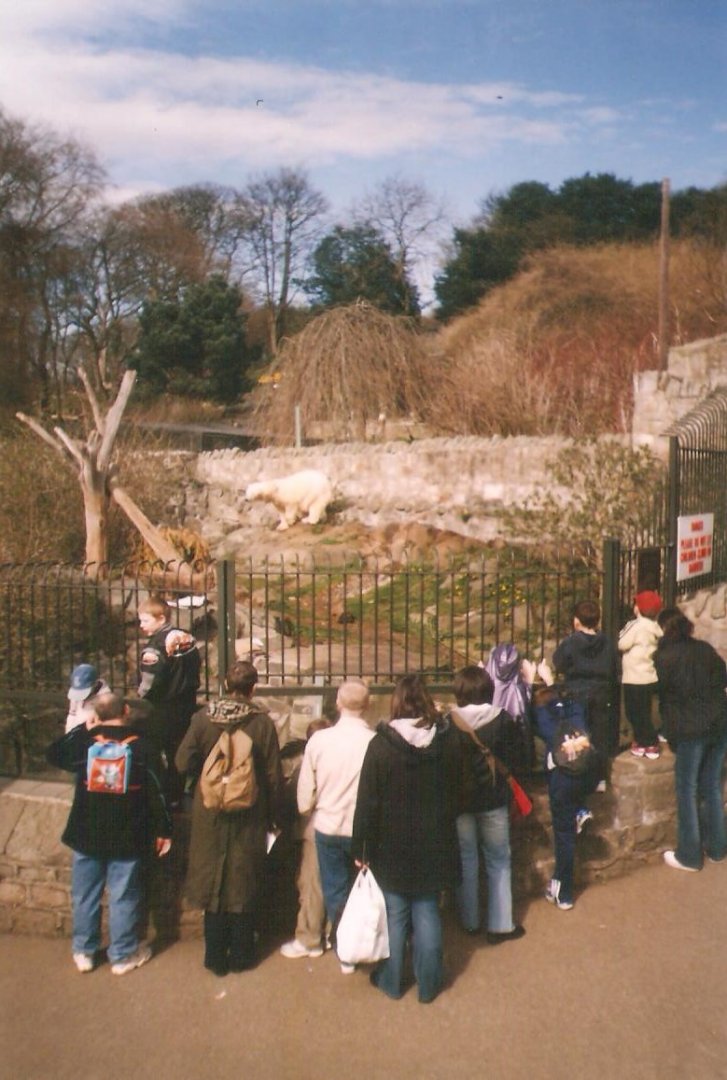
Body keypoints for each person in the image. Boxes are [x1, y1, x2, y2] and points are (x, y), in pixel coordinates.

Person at [352, 674, 463, 1004]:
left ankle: (391, 980)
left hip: (391, 843)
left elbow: (367, 801)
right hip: (433, 838)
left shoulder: (381, 745)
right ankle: (428, 984)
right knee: (427, 910)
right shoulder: (445, 742)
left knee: (396, 915)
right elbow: (457, 789)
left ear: (396, 702)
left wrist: (361, 846)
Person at [46, 690, 171, 975]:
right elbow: (159, 794)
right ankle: (123, 954)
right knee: (124, 895)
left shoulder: (85, 744)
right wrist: (164, 829)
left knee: (84, 895)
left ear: (96, 715)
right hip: (127, 834)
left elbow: (53, 754)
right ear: (126, 710)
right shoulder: (143, 748)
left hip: (86, 833)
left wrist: (82, 728)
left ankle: (84, 951)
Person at [175, 660, 282, 976]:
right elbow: (274, 775)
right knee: (242, 877)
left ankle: (214, 956)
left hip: (209, 810)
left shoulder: (202, 719)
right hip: (249, 811)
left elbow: (182, 762)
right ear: (253, 687)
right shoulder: (261, 724)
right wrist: (274, 815)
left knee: (212, 877)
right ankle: (241, 955)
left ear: (224, 685)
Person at [297, 679, 375, 973]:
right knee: (365, 890)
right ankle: (366, 943)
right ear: (366, 706)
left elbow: (305, 796)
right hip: (362, 828)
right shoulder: (374, 741)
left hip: (328, 825)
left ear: (338, 704)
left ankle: (346, 950)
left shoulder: (319, 741)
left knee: (335, 889)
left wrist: (309, 807)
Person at [451, 665, 526, 943]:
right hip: (493, 799)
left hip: (460, 802)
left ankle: (469, 920)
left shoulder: (449, 723)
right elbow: (519, 756)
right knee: (498, 860)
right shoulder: (503, 720)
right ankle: (501, 923)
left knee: (466, 859)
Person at [654, 610, 727, 872]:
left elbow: (660, 692)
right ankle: (718, 847)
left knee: (687, 789)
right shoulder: (705, 649)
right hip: (718, 723)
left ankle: (689, 854)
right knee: (712, 786)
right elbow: (723, 676)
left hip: (690, 728)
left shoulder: (664, 657)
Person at [533, 685, 603, 910]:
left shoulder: (546, 722)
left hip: (562, 780)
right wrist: (551, 681)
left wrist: (536, 686)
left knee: (564, 837)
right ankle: (580, 809)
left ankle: (563, 893)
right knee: (567, 831)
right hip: (585, 776)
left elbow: (538, 710)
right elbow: (574, 703)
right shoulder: (576, 714)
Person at [137, 596, 201, 807]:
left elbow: (150, 682)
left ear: (161, 618)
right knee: (178, 750)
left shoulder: (155, 647)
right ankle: (176, 794)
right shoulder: (186, 638)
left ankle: (159, 792)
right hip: (186, 703)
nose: (141, 625)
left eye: (145, 620)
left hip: (163, 706)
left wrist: (141, 697)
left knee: (152, 749)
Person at [279, 718, 331, 960]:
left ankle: (310, 939)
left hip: (313, 828)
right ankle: (329, 934)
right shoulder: (337, 757)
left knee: (311, 884)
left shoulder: (307, 764)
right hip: (341, 827)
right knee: (333, 883)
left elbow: (297, 802)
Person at [552, 599, 620, 763]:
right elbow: (614, 666)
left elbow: (558, 662)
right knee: (600, 736)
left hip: (577, 692)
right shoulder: (607, 642)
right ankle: (601, 773)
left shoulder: (570, 642)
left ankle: (579, 768)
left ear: (576, 621)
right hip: (602, 692)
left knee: (578, 733)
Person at [618, 589, 663, 759]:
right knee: (644, 711)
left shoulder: (634, 625)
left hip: (634, 678)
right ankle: (644, 741)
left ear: (638, 608)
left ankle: (649, 741)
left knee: (633, 712)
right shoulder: (655, 627)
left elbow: (621, 643)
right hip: (649, 676)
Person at [485, 642, 534, 768]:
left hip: (489, 744)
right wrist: (529, 683)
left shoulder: (486, 685)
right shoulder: (519, 688)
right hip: (515, 746)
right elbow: (525, 716)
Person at [65, 663, 110, 733]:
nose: (79, 696)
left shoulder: (106, 699)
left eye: (83, 691)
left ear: (95, 684)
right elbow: (72, 714)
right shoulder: (75, 694)